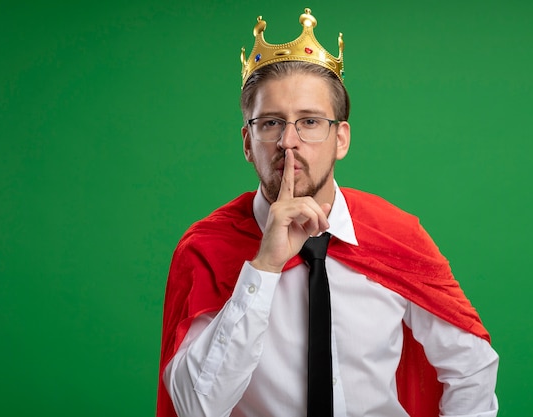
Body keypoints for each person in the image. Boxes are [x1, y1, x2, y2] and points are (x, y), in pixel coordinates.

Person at [157, 8, 499, 417]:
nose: (289, 142)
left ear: (341, 139)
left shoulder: (396, 235)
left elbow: (472, 367)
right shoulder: (207, 249)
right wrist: (264, 266)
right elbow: (195, 407)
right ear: (247, 142)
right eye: (270, 124)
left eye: (310, 121)